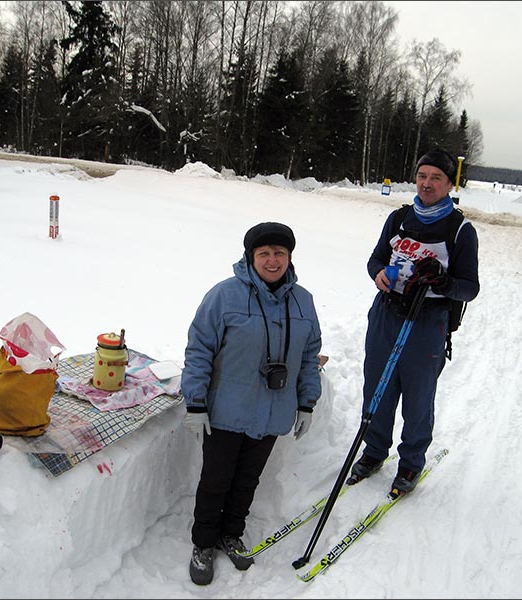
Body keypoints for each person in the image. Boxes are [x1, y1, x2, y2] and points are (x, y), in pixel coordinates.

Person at [181, 222, 322, 586]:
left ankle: (231, 534)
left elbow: (309, 356)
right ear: (250, 257)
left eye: (280, 253)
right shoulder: (224, 296)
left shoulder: (303, 300)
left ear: (289, 257)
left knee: (247, 480)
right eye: (264, 254)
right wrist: (195, 403)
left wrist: (306, 402)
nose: (272, 261)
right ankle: (203, 544)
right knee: (216, 480)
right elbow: (199, 350)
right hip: (227, 410)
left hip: (273, 411)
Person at [348, 148, 479, 495]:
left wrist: (443, 282)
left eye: (436, 177)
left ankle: (410, 462)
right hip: (387, 314)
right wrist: (378, 274)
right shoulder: (399, 218)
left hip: (427, 321)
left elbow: (470, 287)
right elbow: (376, 258)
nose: (427, 183)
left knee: (418, 395)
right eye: (423, 176)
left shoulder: (460, 229)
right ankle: (374, 451)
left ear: (450, 183)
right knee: (377, 385)